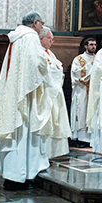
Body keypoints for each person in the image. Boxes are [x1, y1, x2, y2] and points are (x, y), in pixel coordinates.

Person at [0, 12, 52, 190]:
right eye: (41, 23)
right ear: (36, 23)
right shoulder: (30, 37)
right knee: (23, 132)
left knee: (14, 132)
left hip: (15, 88)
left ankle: (11, 174)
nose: (41, 27)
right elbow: (37, 63)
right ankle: (20, 175)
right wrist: (47, 66)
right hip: (25, 93)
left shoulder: (16, 37)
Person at [38, 27, 71, 158]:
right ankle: (45, 152)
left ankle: (55, 152)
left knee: (57, 120)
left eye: (52, 39)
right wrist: (58, 74)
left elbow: (57, 67)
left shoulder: (50, 53)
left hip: (55, 92)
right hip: (45, 93)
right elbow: (46, 71)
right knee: (48, 122)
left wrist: (60, 74)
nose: (52, 41)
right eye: (49, 39)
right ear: (41, 38)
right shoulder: (38, 52)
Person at [70, 37, 96, 143]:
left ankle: (92, 138)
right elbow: (76, 74)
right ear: (85, 46)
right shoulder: (78, 59)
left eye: (94, 44)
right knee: (81, 112)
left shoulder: (98, 58)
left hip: (94, 91)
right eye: (91, 44)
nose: (93, 46)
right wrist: (90, 64)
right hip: (82, 90)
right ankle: (81, 138)